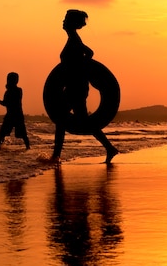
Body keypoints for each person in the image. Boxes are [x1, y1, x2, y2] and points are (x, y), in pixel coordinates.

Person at [51, 9, 119, 163]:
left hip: (76, 88)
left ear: (72, 22)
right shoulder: (73, 39)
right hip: (75, 86)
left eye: (65, 18)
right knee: (79, 121)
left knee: (63, 120)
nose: (63, 21)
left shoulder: (74, 39)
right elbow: (88, 53)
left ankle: (56, 156)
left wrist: (81, 70)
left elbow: (89, 53)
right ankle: (109, 148)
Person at [0, 72, 30, 150]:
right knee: (2, 133)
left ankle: (28, 147)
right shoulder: (10, 91)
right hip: (13, 115)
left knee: (22, 134)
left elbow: (6, 103)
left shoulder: (18, 90)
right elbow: (5, 103)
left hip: (16, 115)